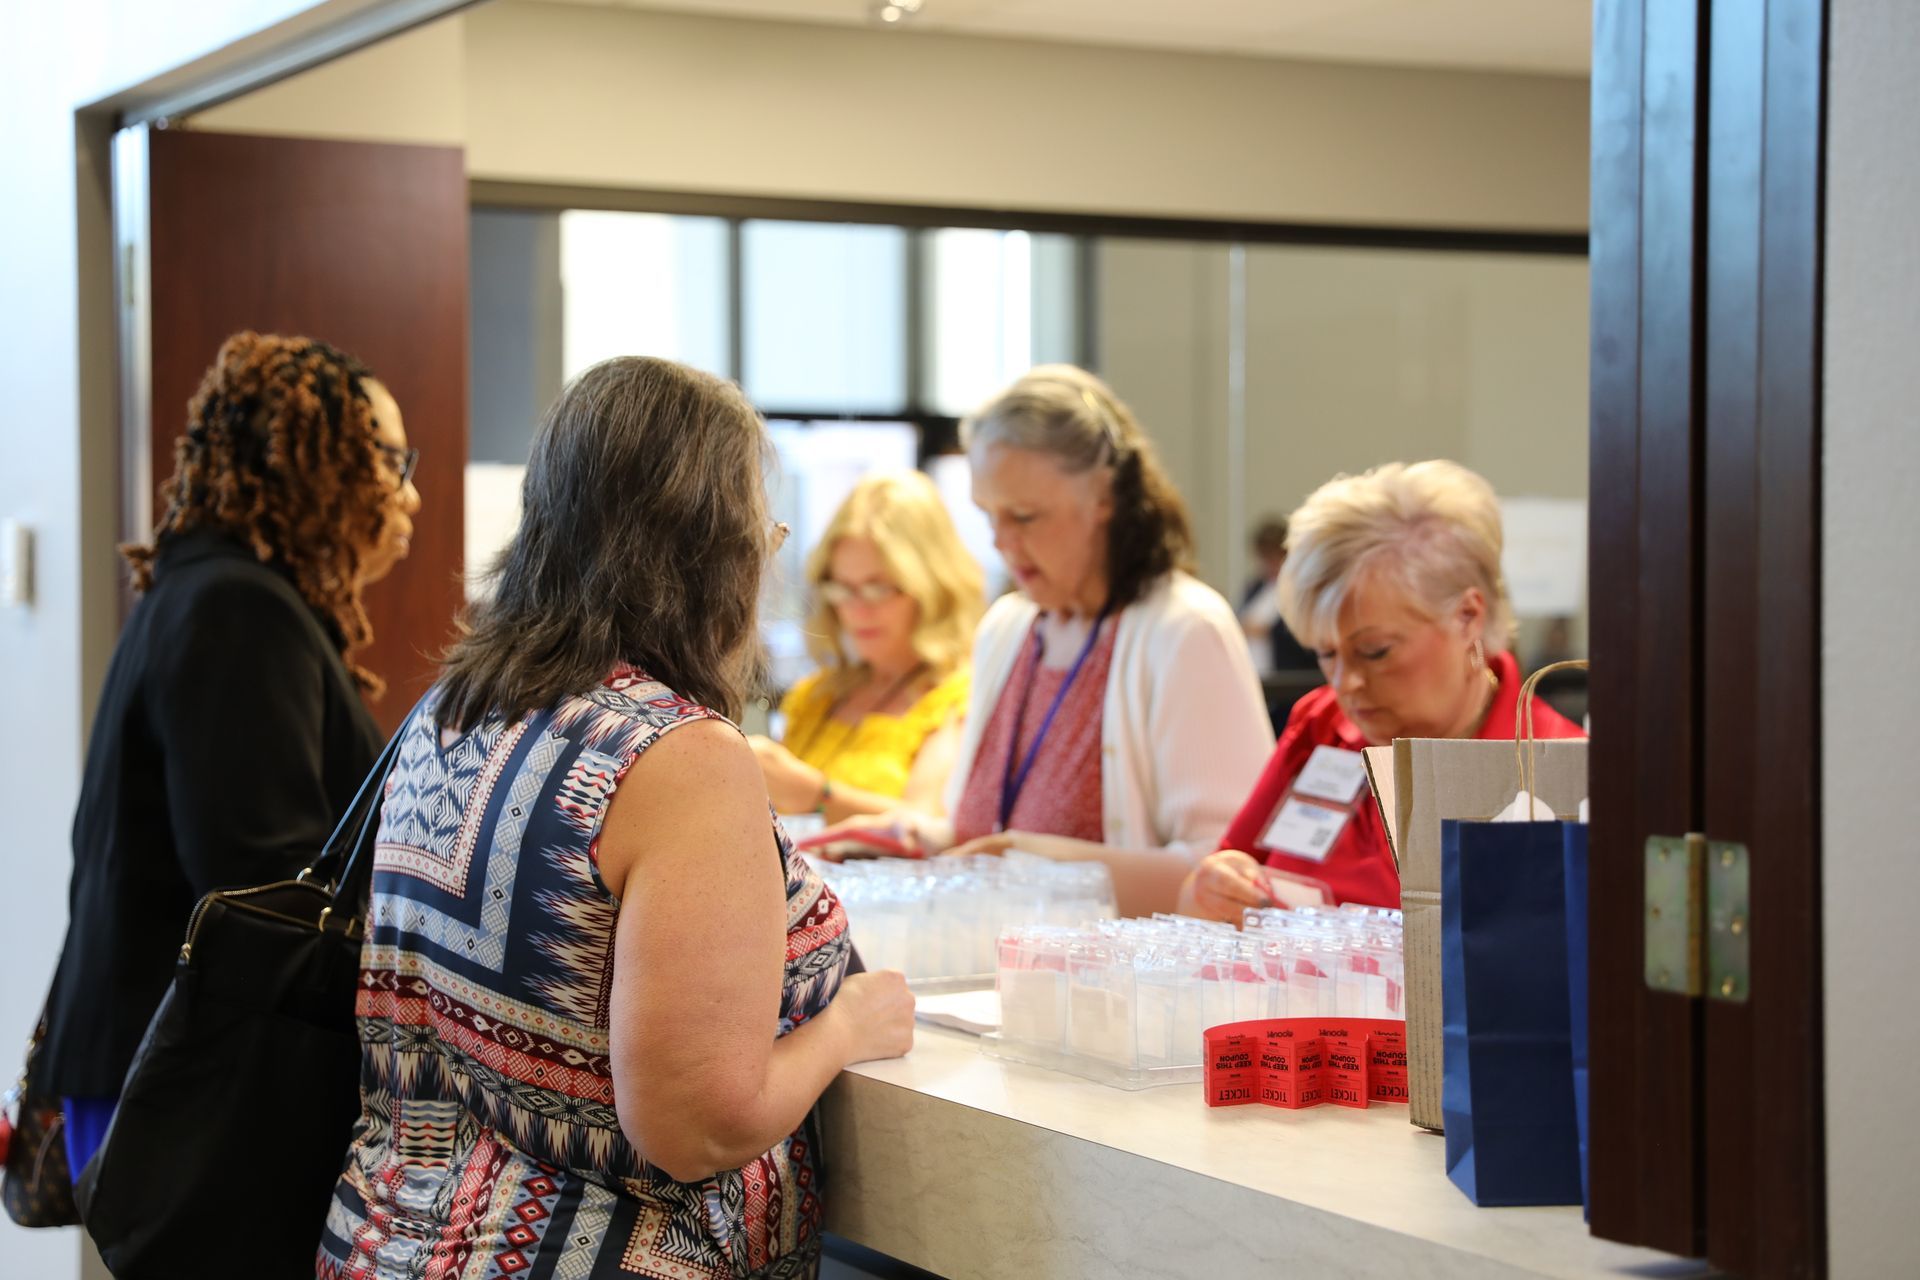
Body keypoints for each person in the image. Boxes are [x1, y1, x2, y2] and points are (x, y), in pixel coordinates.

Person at [317, 356, 914, 1278]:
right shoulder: (680, 759)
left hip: (390, 1242)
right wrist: (847, 1026)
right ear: (714, 545)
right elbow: (697, 1124)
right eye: (765, 530)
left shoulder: (454, 707)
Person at [37, 332, 418, 1181]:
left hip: (165, 1066)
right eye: (393, 460)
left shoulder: (212, 594)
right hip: (184, 1082)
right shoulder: (236, 611)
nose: (410, 495)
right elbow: (265, 889)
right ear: (315, 463)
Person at [822, 366, 1273, 918]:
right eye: (989, 516)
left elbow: (1232, 874)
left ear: (1105, 498)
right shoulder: (1008, 628)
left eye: (1026, 517)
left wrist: (1036, 861)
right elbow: (984, 832)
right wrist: (919, 837)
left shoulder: (1183, 629)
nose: (1002, 543)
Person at [1177, 460, 1584, 918]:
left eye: (1374, 652)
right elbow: (1227, 871)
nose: (1344, 682)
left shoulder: (1561, 772)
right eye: (1326, 653)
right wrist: (1211, 887)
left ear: (1468, 616)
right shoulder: (1322, 724)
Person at [749, 470, 983, 823]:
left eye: (879, 588)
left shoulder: (962, 698)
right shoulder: (816, 697)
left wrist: (817, 794)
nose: (858, 610)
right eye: (843, 588)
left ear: (933, 587)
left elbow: (931, 825)